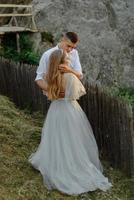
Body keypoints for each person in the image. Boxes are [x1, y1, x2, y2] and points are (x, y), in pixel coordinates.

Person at [28, 49, 112, 196]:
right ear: (63, 62)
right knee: (73, 139)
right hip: (70, 110)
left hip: (55, 110)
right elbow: (77, 94)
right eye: (67, 59)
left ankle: (55, 163)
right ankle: (72, 166)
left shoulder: (50, 76)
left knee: (56, 137)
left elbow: (48, 92)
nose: (69, 61)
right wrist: (72, 75)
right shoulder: (70, 77)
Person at [35, 32, 83, 97]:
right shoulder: (47, 54)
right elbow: (39, 79)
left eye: (73, 47)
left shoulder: (75, 53)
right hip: (53, 96)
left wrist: (69, 70)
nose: (70, 49)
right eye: (68, 46)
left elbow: (80, 76)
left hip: (71, 97)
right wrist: (54, 91)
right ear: (62, 40)